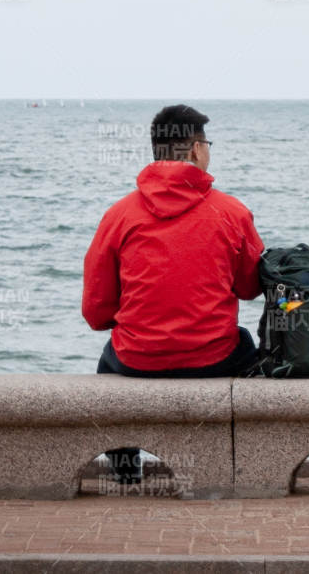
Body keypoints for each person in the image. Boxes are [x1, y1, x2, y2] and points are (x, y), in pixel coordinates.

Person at [82, 103, 265, 484]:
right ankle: (245, 466)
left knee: (106, 365)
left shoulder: (119, 215)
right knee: (251, 352)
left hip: (137, 358)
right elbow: (249, 289)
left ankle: (126, 473)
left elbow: (96, 312)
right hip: (214, 356)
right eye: (208, 144)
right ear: (197, 150)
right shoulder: (231, 212)